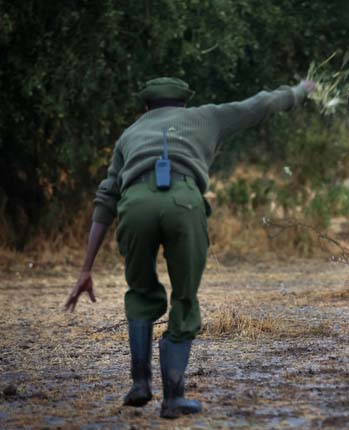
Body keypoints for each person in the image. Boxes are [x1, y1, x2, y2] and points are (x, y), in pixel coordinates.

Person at [64, 77, 315, 418]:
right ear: (184, 103)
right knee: (184, 297)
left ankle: (140, 382)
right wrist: (300, 91)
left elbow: (106, 197)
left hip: (134, 204)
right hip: (184, 202)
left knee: (140, 291)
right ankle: (172, 398)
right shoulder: (208, 115)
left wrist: (86, 268)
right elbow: (260, 105)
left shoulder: (130, 133)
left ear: (146, 106)